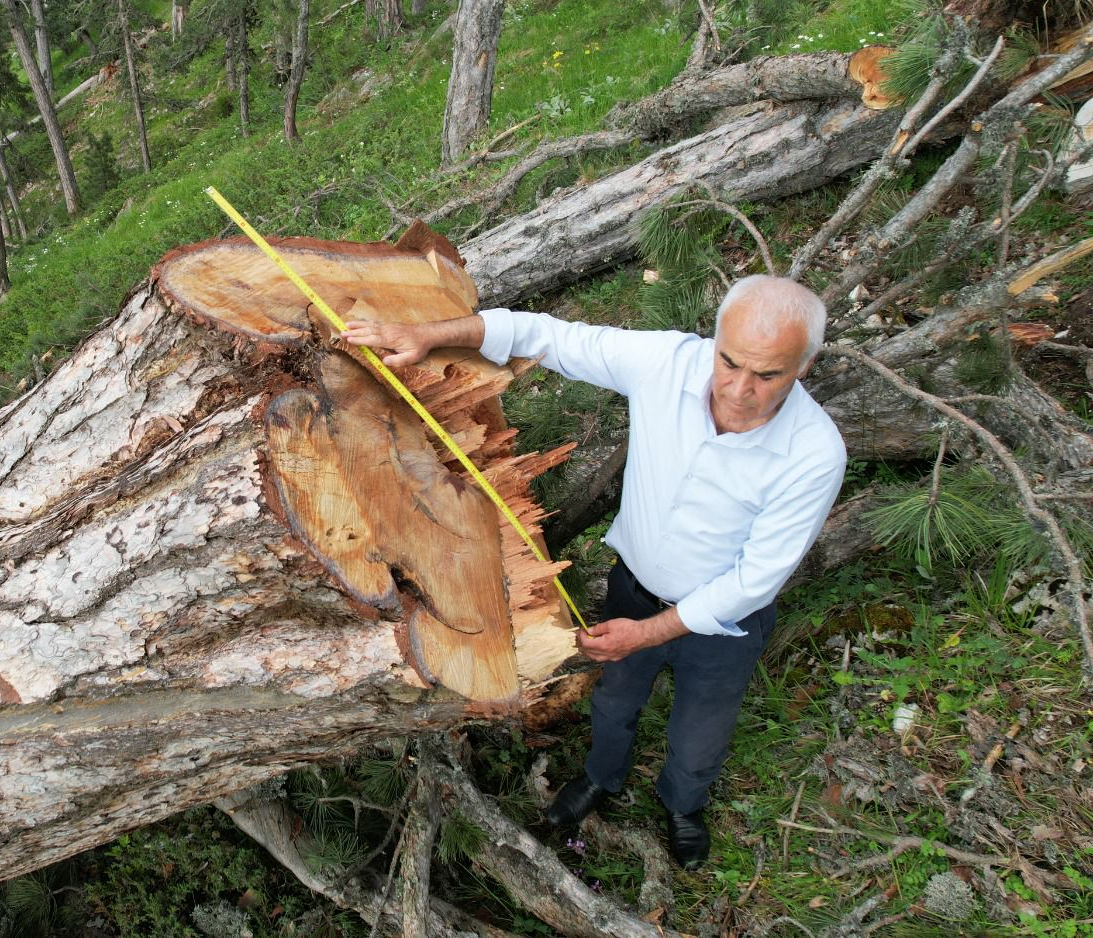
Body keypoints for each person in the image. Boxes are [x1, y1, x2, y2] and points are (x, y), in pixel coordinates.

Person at [340, 275, 846, 870]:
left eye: (768, 375)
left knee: (700, 731)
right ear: (713, 339)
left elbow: (754, 581)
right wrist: (427, 335)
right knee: (613, 700)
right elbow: (547, 337)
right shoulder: (667, 363)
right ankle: (601, 778)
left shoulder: (813, 454)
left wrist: (651, 633)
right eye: (729, 361)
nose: (737, 389)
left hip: (726, 625)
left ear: (805, 365)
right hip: (633, 590)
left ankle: (683, 805)